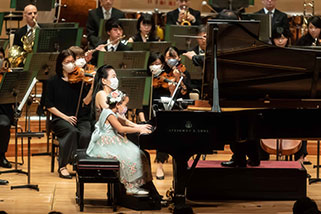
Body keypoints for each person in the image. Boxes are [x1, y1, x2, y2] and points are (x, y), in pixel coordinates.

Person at [86, 90, 152, 195]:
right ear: (117, 104)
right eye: (125, 105)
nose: (125, 108)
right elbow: (121, 129)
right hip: (107, 143)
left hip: (111, 140)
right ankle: (130, 186)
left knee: (138, 154)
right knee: (132, 156)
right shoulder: (109, 114)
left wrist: (140, 126)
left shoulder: (110, 111)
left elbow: (125, 121)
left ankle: (136, 184)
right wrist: (139, 130)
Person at [46, 49, 93, 179]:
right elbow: (49, 105)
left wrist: (93, 86)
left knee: (85, 134)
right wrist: (65, 117)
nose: (71, 64)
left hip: (80, 118)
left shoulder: (79, 80)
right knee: (71, 131)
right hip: (60, 119)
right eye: (67, 62)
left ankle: (82, 165)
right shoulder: (53, 82)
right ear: (60, 64)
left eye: (73, 61)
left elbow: (86, 101)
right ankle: (62, 165)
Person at [0, 47, 13, 170]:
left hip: (3, 112)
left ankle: (1, 155)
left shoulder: (8, 75)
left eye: (1, 57)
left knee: (4, 124)